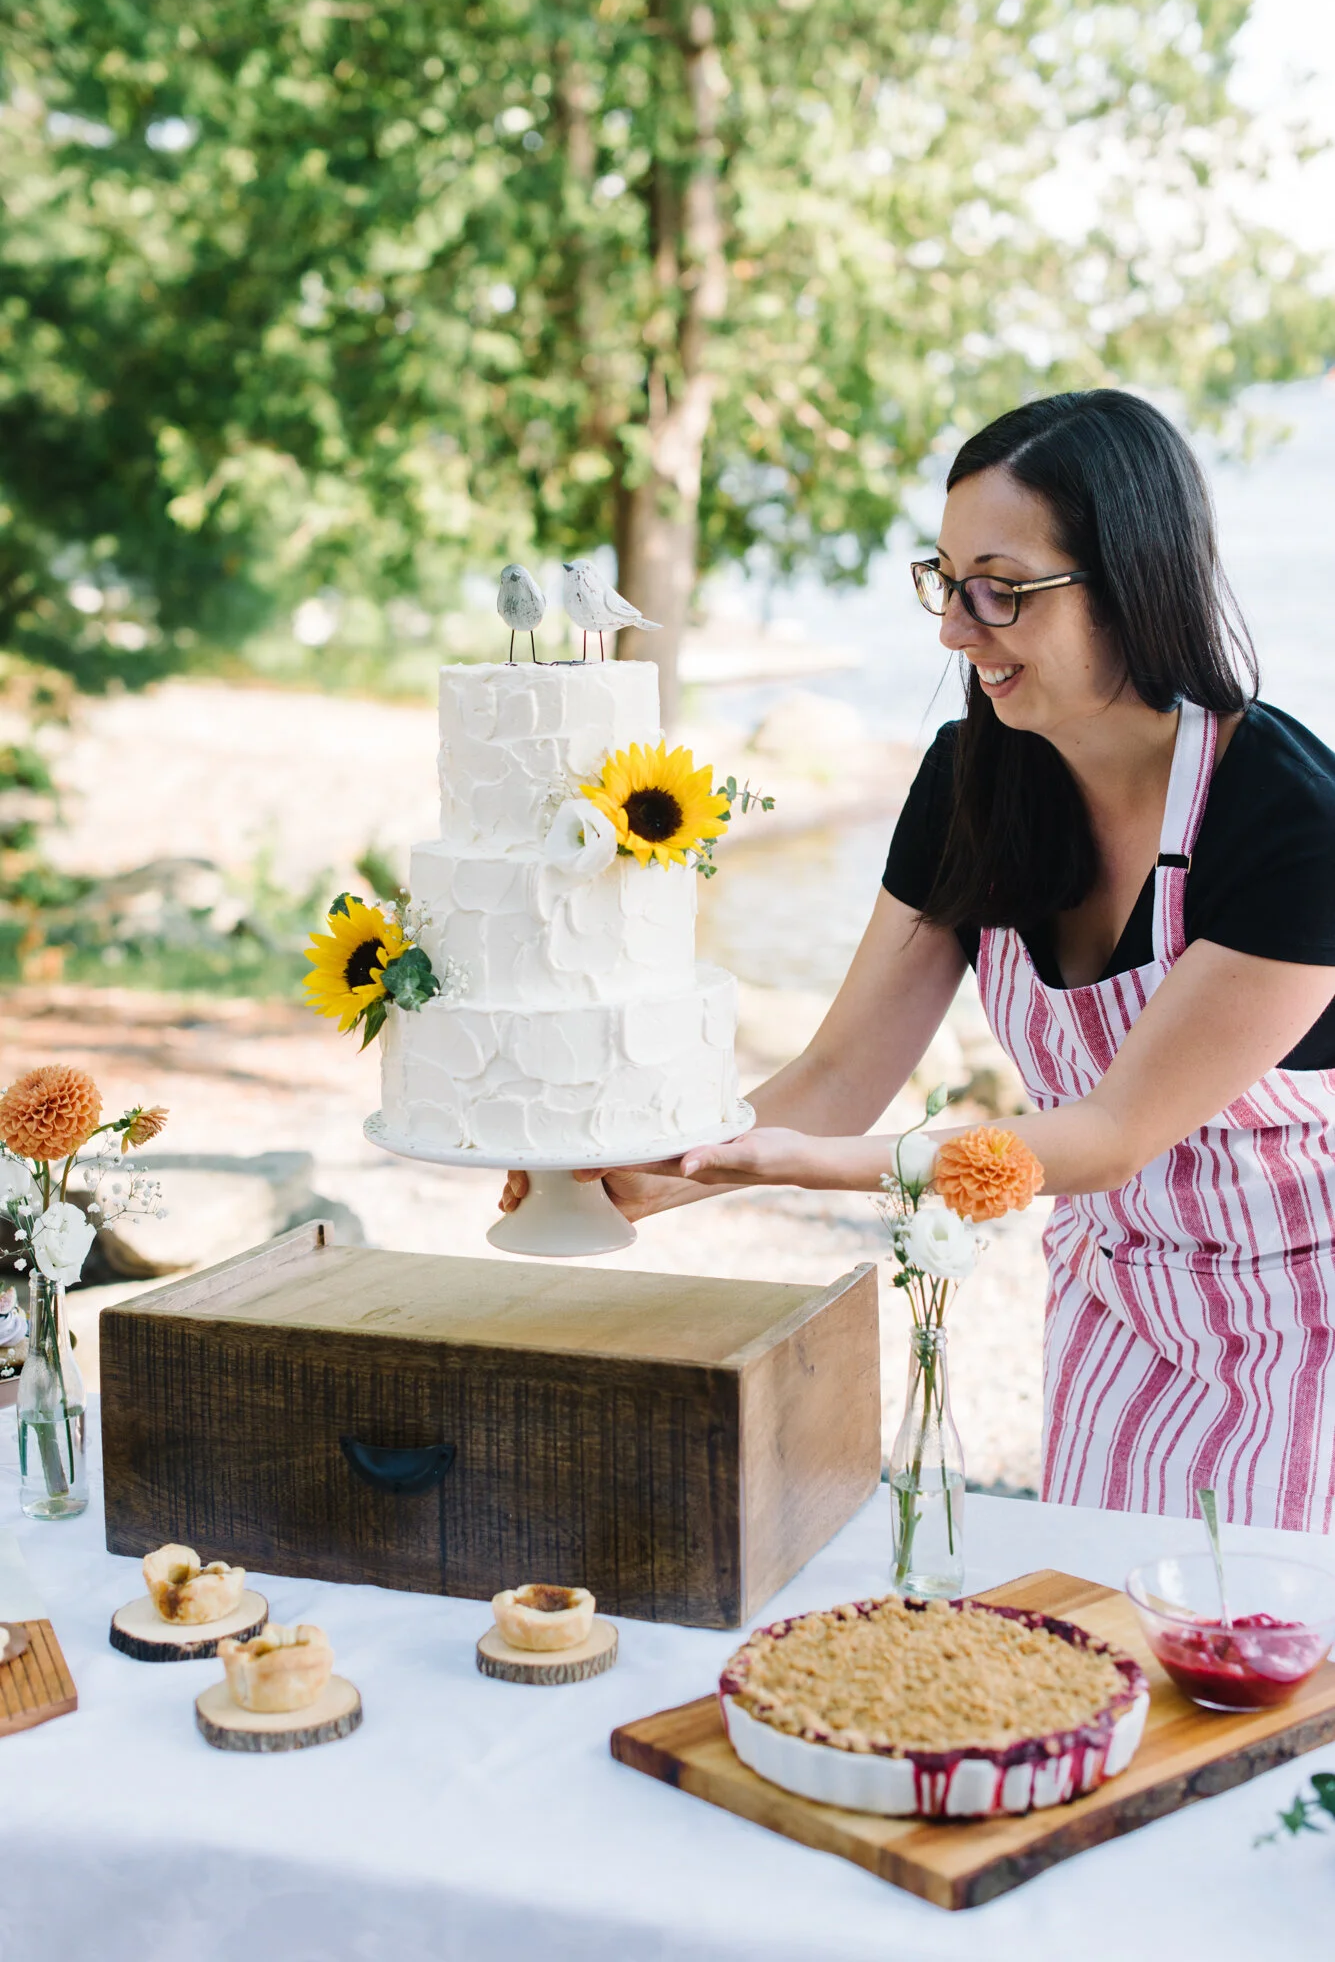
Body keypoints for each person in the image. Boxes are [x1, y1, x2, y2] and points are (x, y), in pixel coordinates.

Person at [503, 390, 1335, 1531]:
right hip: (1116, 1296)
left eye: (1002, 589)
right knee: (1098, 1623)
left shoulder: (1292, 820)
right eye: (946, 581)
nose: (956, 628)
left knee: (1255, 1664)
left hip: (1305, 1316)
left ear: (1133, 578)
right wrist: (650, 1168)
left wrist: (798, 1167)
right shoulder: (970, 780)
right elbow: (841, 1072)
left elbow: (1105, 1134)